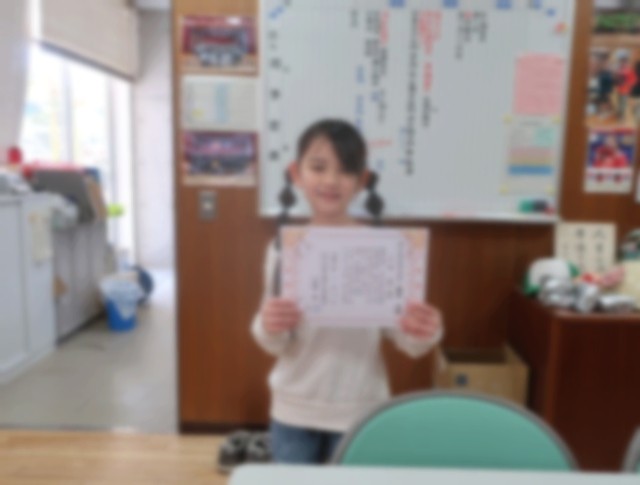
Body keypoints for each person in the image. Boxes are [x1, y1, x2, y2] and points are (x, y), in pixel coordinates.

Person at [251, 119, 444, 464]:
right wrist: (269, 324)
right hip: (293, 409)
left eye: (345, 170)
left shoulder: (385, 250)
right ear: (296, 173)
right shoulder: (282, 249)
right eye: (318, 167)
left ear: (362, 180)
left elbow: (405, 339)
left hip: (360, 411)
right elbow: (273, 340)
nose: (330, 180)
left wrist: (424, 330)